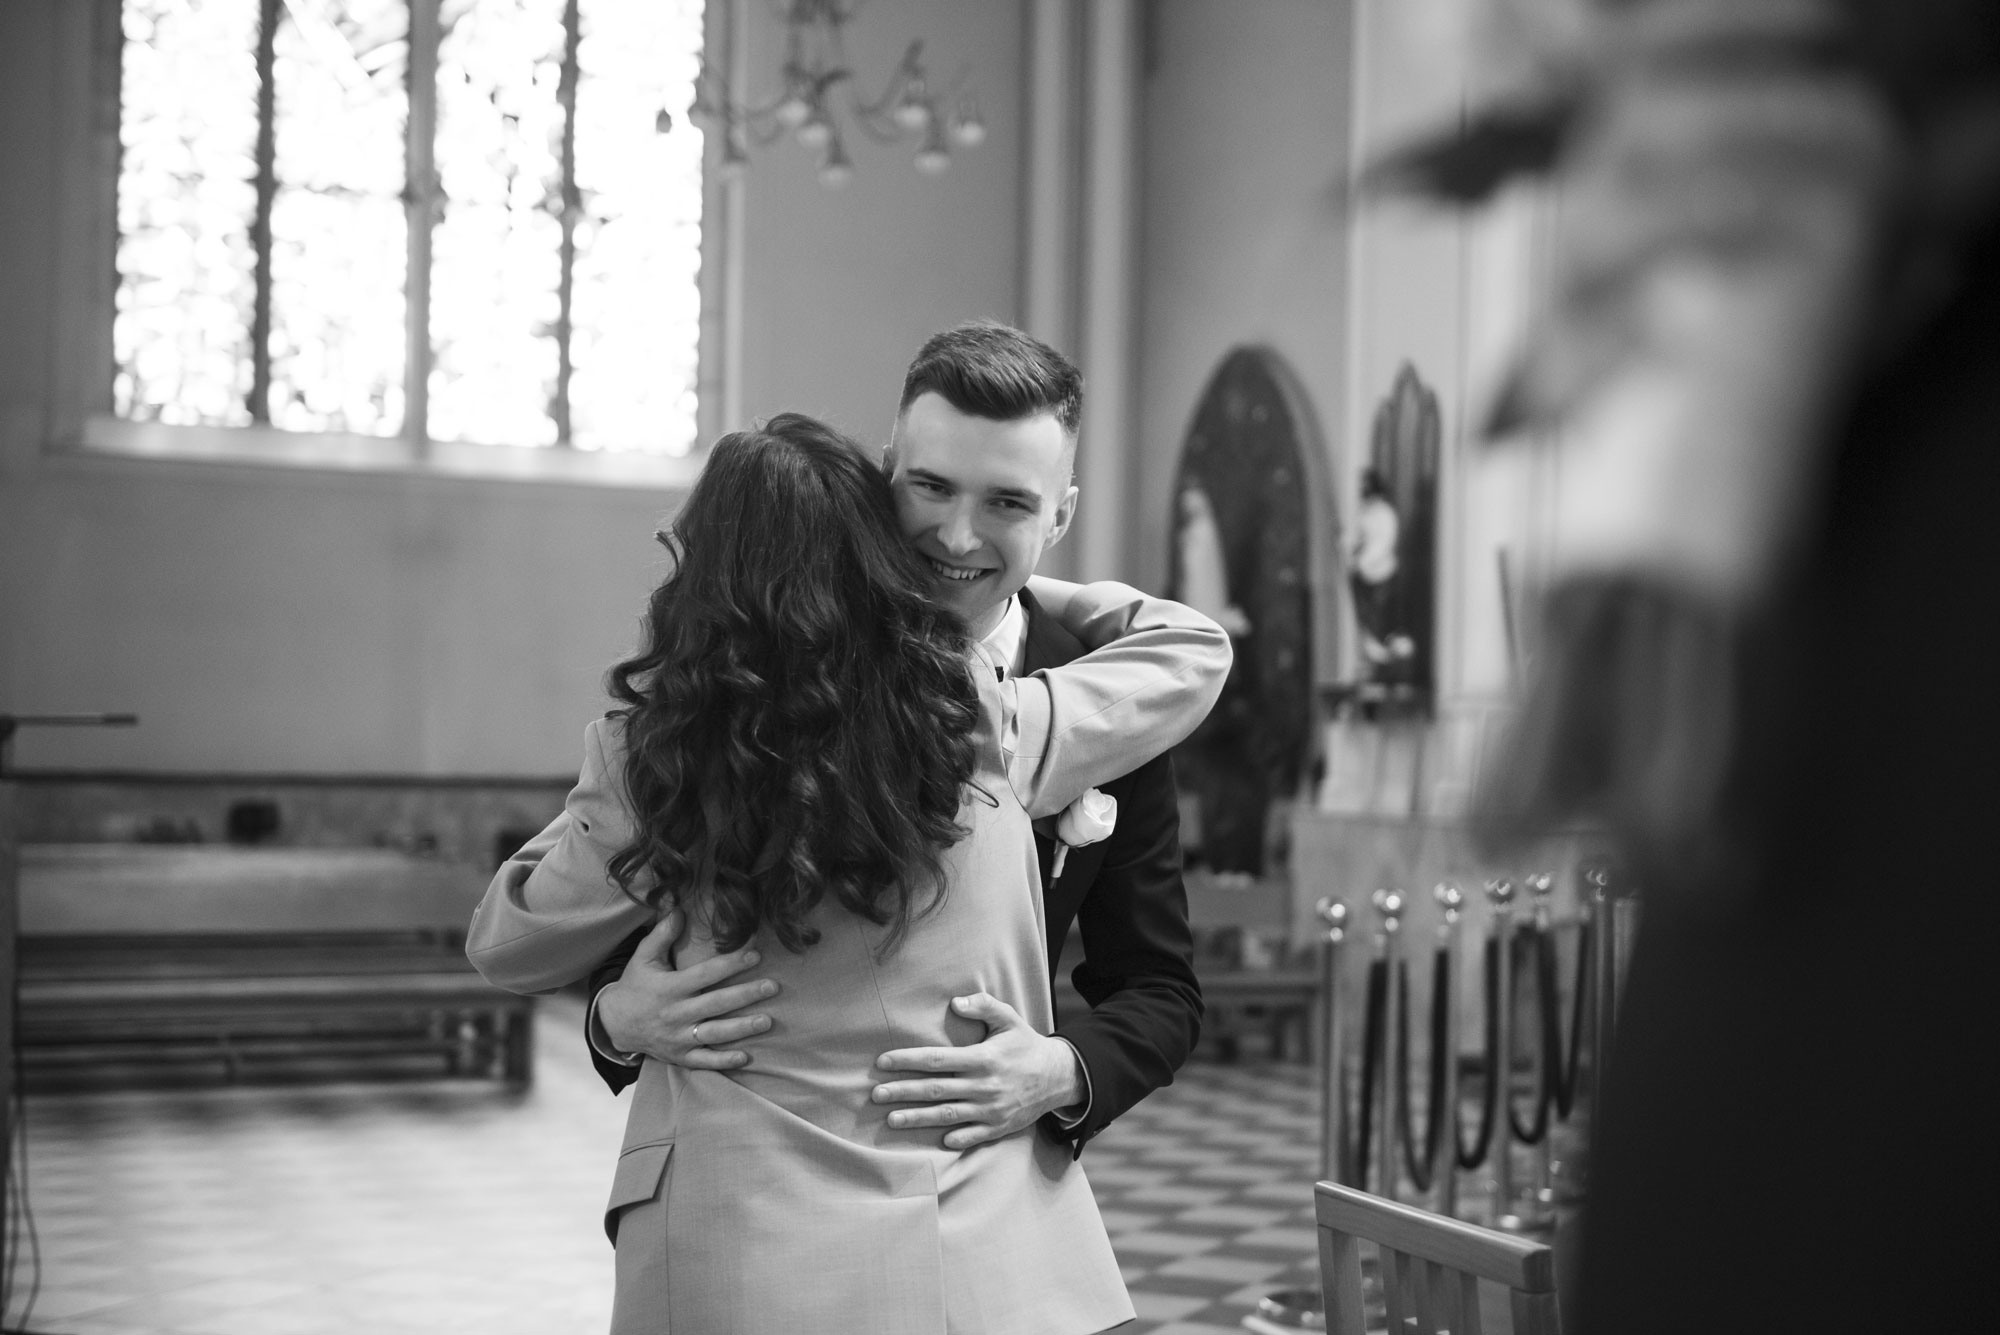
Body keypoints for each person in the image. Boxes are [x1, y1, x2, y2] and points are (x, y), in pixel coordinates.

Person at [467, 413, 1231, 1331]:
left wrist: (614, 1008)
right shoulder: (986, 719)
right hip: (970, 1235)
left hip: (731, 1235)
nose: (956, 536)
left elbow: (509, 940)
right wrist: (1041, 576)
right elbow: (1196, 650)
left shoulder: (654, 754)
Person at [584, 323, 1209, 1158]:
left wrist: (1059, 1069)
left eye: (1007, 503)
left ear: (1059, 514)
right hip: (756, 1160)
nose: (957, 536)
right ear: (886, 475)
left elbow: (1158, 986)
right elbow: (621, 903)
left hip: (978, 1172)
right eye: (932, 487)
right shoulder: (771, 656)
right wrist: (614, 1018)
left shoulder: (1112, 697)